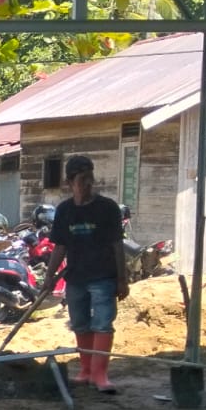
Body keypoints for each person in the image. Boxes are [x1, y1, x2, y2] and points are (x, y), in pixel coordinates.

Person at [39, 155, 127, 393]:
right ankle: (86, 370)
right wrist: (49, 277)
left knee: (102, 324)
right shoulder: (65, 211)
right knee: (80, 324)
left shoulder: (107, 208)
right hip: (75, 278)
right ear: (69, 182)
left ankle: (100, 375)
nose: (87, 184)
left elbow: (117, 245)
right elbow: (59, 246)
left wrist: (122, 279)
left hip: (103, 278)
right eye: (81, 180)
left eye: (90, 179)